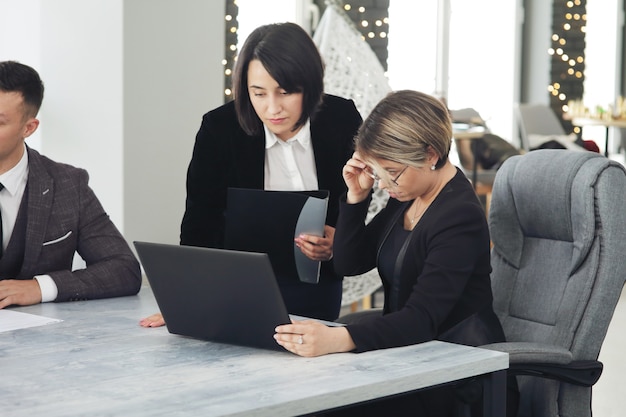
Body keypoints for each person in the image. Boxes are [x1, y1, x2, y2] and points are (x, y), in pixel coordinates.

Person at [274, 90, 516, 416]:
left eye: (392, 171)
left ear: (430, 154)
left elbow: (421, 319)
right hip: (410, 357)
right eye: (379, 172)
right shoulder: (406, 195)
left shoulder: (459, 216)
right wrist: (356, 198)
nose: (386, 183)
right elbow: (349, 262)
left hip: (459, 376)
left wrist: (338, 339)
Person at [139, 22, 362, 327]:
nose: (273, 108)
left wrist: (339, 239)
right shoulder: (220, 129)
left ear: (311, 85)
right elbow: (199, 222)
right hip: (235, 289)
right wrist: (185, 297)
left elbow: (358, 196)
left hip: (317, 287)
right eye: (258, 93)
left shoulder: (341, 119)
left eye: (285, 92)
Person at [0, 60, 141, 308]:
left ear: (29, 128)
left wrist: (41, 287)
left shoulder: (68, 185)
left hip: (43, 342)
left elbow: (123, 269)